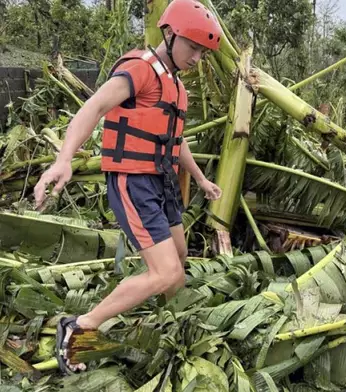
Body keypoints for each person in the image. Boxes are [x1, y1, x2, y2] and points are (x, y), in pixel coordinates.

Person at [33, 0, 224, 374]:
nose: (197, 58)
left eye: (203, 52)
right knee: (167, 272)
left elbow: (175, 138)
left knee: (179, 261)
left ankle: (167, 323)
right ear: (170, 35)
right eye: (193, 47)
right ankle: (80, 326)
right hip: (133, 181)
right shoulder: (140, 70)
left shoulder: (176, 87)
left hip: (163, 181)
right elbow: (93, 107)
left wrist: (200, 179)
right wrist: (64, 159)